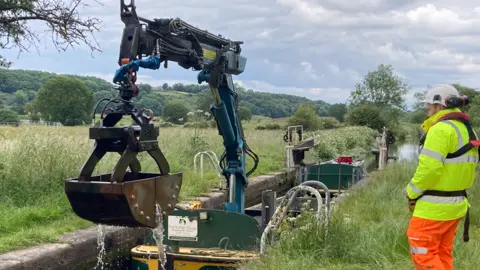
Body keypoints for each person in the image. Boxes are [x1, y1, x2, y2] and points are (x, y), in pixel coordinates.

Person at [404, 84, 478, 270]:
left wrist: (411, 191)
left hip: (434, 207)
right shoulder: (466, 129)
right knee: (442, 252)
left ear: (440, 105)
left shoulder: (440, 129)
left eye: (429, 105)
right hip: (457, 204)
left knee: (423, 252)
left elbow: (429, 168)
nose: (427, 111)